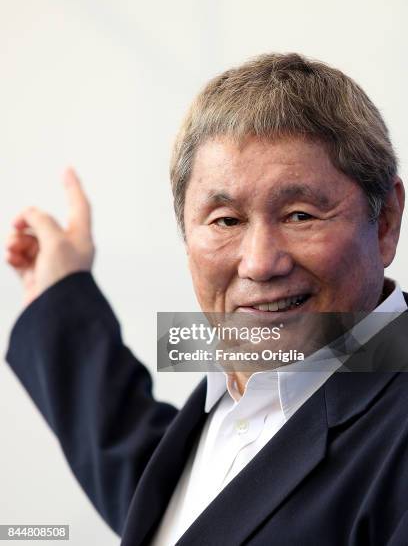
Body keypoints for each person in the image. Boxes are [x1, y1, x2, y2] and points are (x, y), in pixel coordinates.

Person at [4, 53, 408, 546]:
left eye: (300, 215)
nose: (260, 263)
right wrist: (59, 297)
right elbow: (192, 509)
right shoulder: (236, 392)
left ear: (384, 222)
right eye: (226, 221)